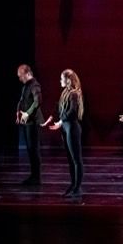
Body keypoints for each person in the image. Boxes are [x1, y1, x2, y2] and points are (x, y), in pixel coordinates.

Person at [44, 69, 85, 197]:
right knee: (70, 160)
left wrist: (60, 122)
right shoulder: (65, 92)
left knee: (76, 159)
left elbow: (72, 111)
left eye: (62, 78)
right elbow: (59, 107)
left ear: (68, 80)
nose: (60, 81)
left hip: (72, 128)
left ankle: (77, 188)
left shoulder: (74, 94)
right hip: (66, 128)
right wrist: (52, 117)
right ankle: (73, 184)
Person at [16, 64, 44, 185]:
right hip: (27, 122)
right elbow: (22, 100)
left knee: (34, 150)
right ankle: (33, 176)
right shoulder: (26, 86)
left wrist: (27, 113)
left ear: (28, 74)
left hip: (34, 122)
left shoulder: (34, 85)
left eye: (21, 76)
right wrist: (18, 112)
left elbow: (38, 101)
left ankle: (36, 178)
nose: (19, 78)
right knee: (30, 149)